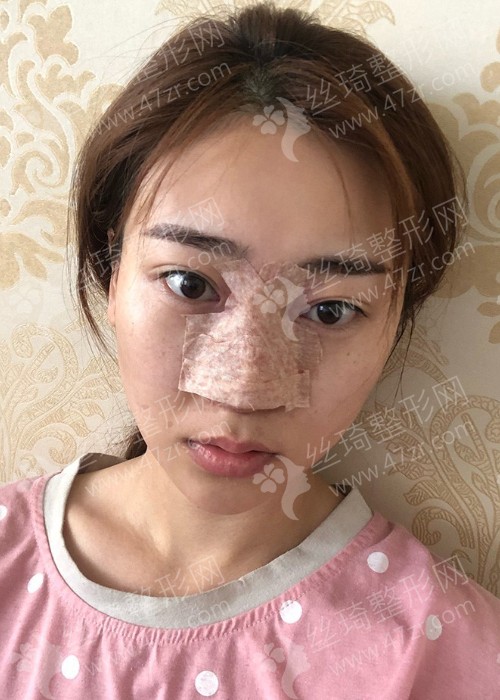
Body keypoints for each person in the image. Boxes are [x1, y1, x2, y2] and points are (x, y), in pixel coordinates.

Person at [1, 2, 498, 698]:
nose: (244, 386)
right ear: (111, 274)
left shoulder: (439, 648)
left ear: (394, 325)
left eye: (329, 310)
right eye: (190, 283)